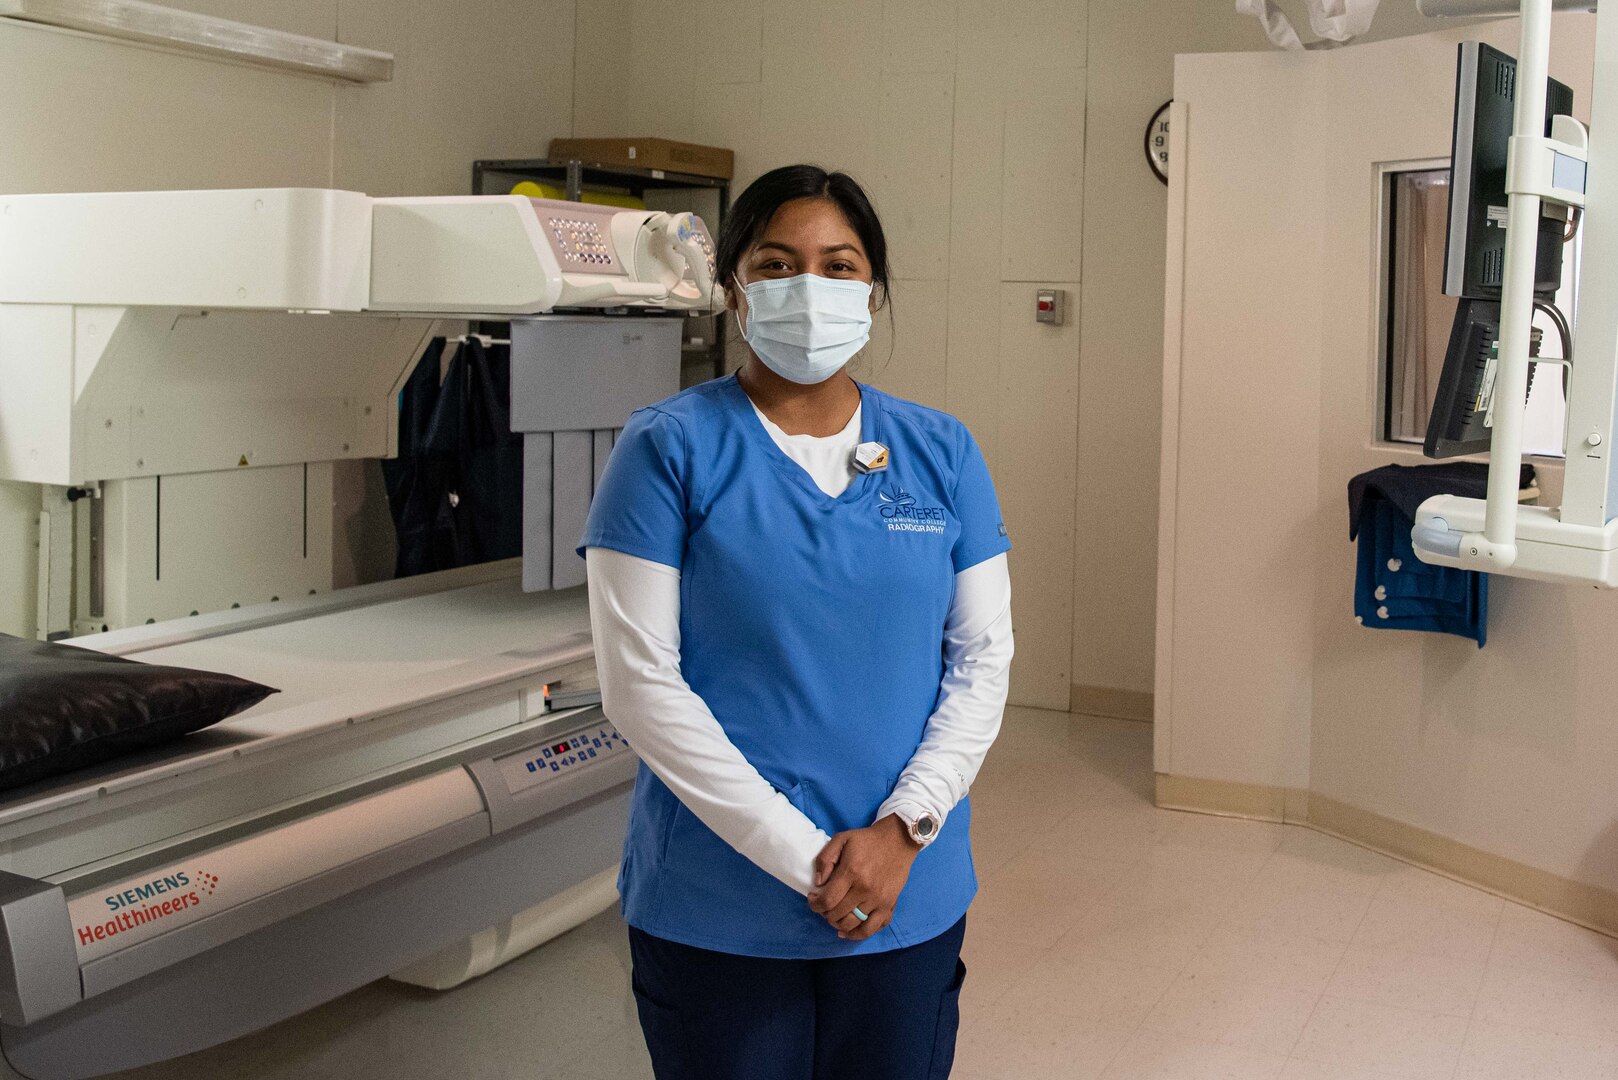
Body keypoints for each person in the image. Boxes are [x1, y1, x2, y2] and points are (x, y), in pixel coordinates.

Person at [580, 163, 1014, 1080]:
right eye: (776, 264)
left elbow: (981, 661)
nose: (808, 288)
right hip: (720, 902)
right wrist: (809, 858)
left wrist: (903, 831)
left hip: (907, 887)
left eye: (839, 265)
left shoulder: (942, 452)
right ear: (734, 288)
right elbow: (640, 686)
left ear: (874, 292)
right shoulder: (667, 446)